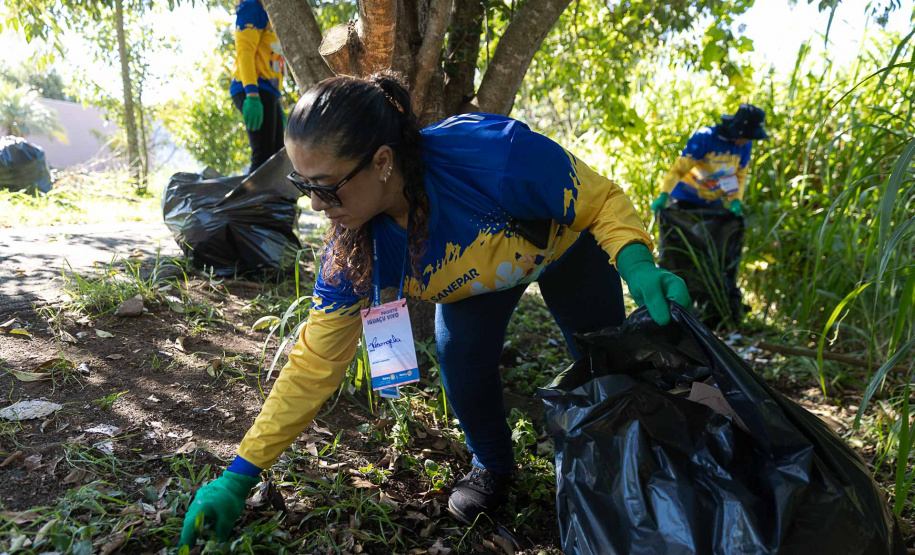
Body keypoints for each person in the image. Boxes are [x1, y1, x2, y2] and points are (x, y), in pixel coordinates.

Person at [179, 73, 690, 547]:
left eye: (325, 186)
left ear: (382, 162)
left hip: (565, 252)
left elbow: (598, 201)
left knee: (605, 364)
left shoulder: (492, 157)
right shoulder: (355, 250)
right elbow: (314, 364)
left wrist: (639, 266)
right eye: (302, 185)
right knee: (461, 362)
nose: (315, 205)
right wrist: (239, 475)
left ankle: (634, 462)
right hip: (477, 287)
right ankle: (491, 464)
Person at [651, 104, 768, 215]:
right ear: (738, 131)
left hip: (712, 202)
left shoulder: (744, 146)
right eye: (746, 137)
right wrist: (664, 195)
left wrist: (735, 200)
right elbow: (679, 170)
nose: (746, 142)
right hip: (684, 199)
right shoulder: (705, 138)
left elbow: (739, 176)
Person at [230, 0, 286, 174]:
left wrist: (277, 102)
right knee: (263, 158)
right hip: (253, 88)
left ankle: (274, 201)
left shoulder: (271, 12)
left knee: (277, 155)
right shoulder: (252, 6)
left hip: (268, 91)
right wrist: (252, 96)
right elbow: (245, 53)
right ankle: (248, 200)